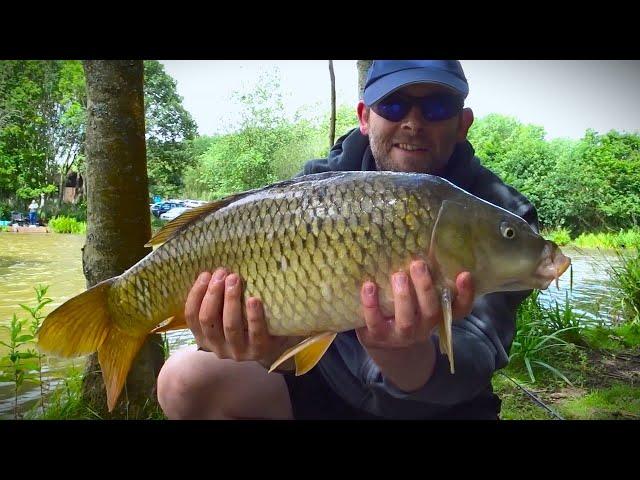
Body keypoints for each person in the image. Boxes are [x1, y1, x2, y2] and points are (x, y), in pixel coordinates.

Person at [156, 60, 539, 420]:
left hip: (441, 405)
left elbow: (475, 357)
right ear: (364, 117)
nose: (412, 122)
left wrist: (403, 353)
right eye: (393, 104)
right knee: (183, 379)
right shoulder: (315, 192)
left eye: (437, 107)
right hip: (331, 389)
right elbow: (294, 348)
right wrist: (270, 347)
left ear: (462, 123)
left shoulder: (494, 215)